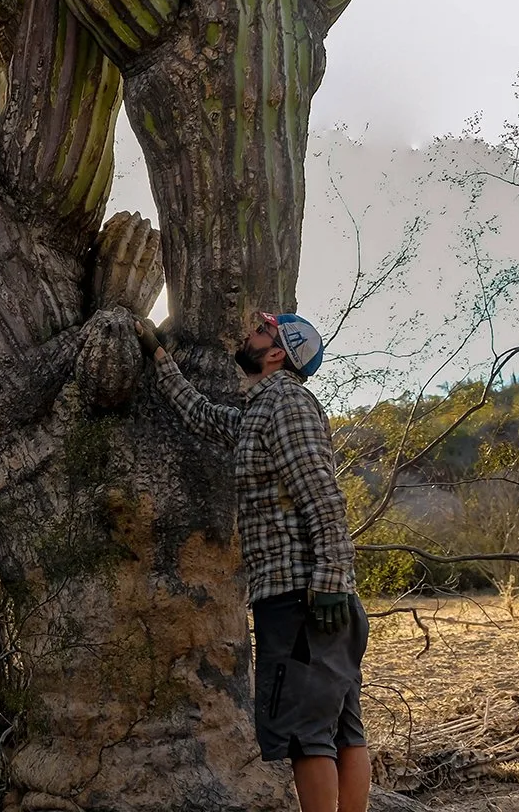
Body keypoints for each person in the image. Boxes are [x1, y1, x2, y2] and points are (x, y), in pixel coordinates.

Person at [136, 309, 370, 812]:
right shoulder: (258, 412)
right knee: (343, 729)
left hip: (303, 598)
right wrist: (159, 356)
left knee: (308, 737)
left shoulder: (285, 402)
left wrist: (328, 578)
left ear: (276, 353)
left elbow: (323, 497)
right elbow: (201, 415)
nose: (249, 331)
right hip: (317, 600)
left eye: (261, 330)